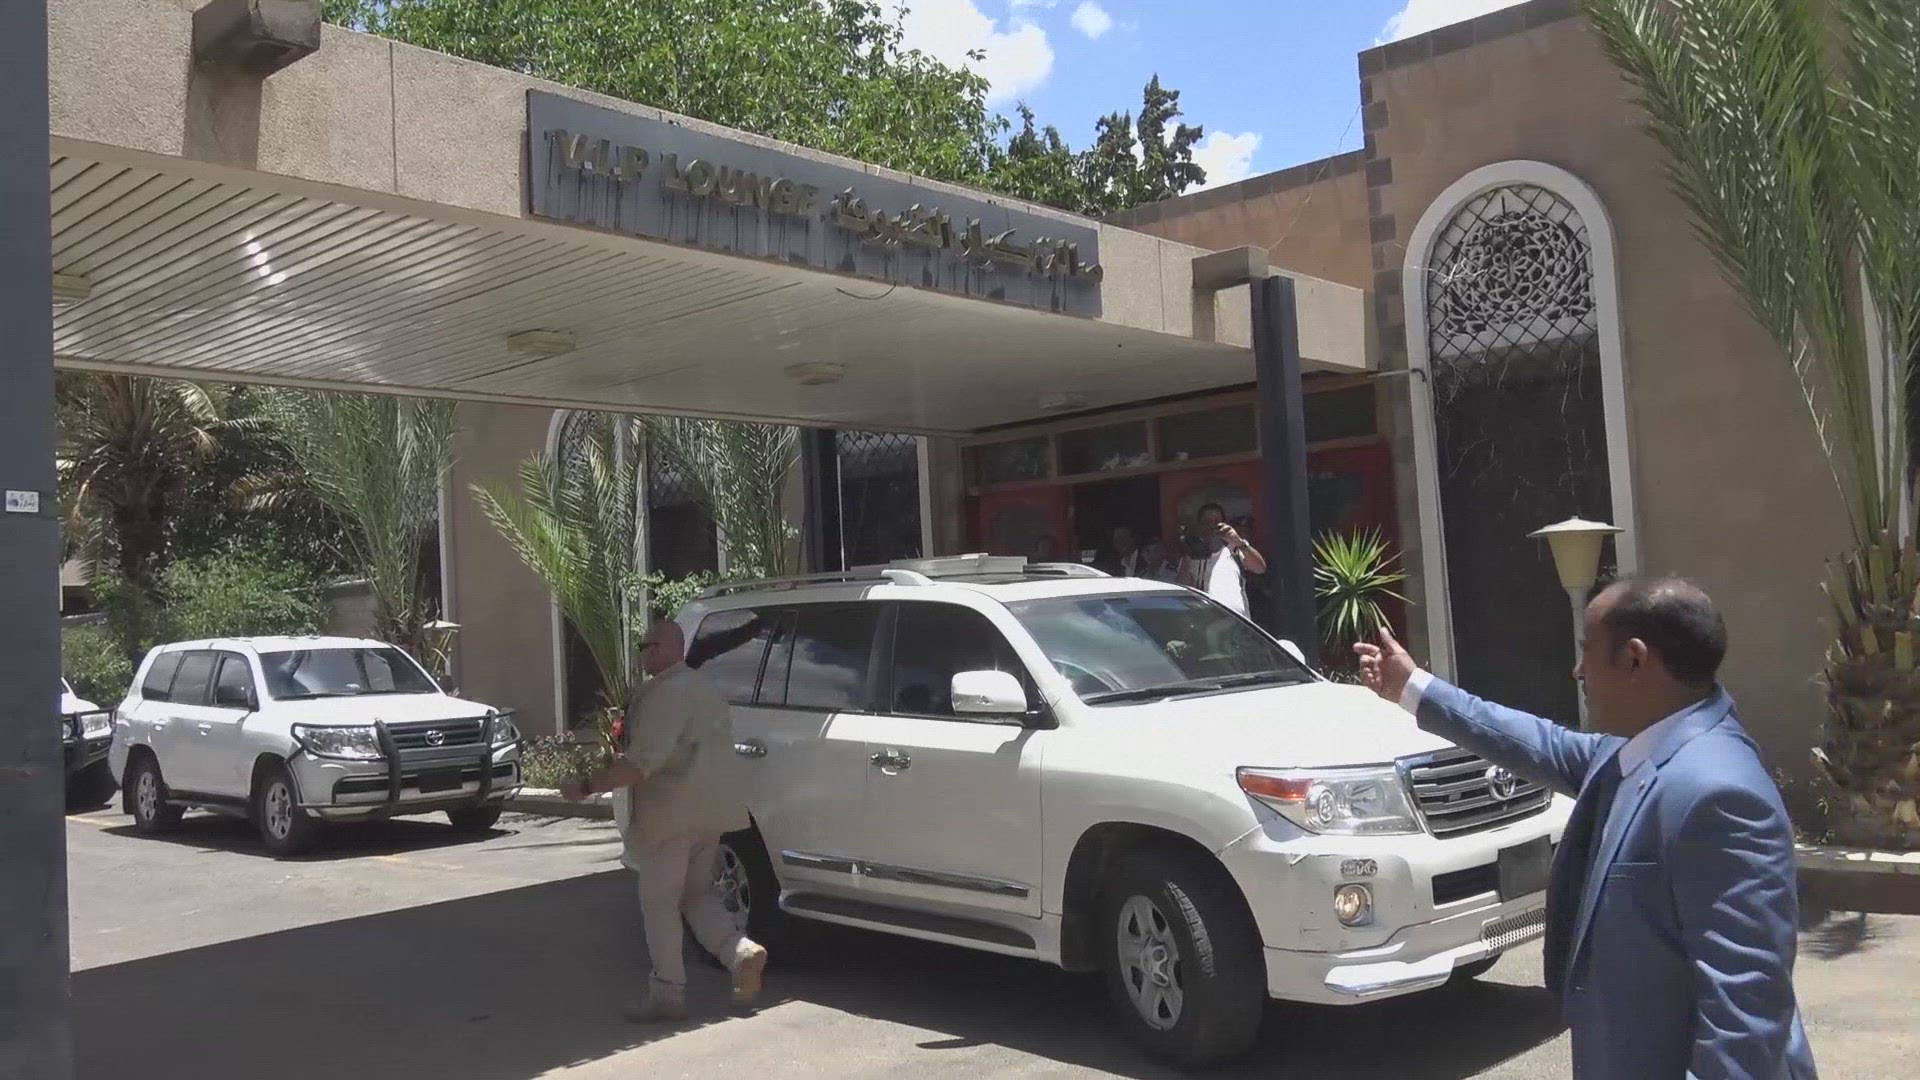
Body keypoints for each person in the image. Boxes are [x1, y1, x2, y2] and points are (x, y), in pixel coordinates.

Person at [1354, 578, 1816, 1080]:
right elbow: (1535, 742)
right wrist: (1412, 687)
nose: (1577, 671)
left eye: (1588, 651)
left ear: (1635, 660)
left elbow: (1745, 1020)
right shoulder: (1635, 749)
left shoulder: (1720, 796)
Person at [564, 620, 769, 1023]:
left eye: (645, 647)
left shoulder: (664, 694)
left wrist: (586, 785)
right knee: (695, 895)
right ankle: (740, 953)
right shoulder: (705, 688)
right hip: (711, 813)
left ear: (659, 648)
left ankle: (667, 994)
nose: (642, 655)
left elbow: (642, 763)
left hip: (670, 817)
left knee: (658, 903)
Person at [1178, 503, 1266, 615]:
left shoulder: (1234, 550)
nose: (1212, 525)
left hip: (1236, 621)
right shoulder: (1191, 556)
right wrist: (1188, 552)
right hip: (1206, 621)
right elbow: (1182, 593)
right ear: (1199, 525)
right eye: (1207, 521)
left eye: (1216, 521)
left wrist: (1238, 542)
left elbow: (1260, 568)